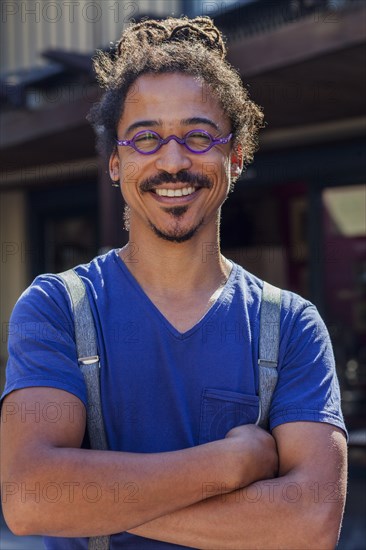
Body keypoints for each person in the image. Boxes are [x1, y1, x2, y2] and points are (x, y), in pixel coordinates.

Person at [1, 16, 347, 550]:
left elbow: (311, 523)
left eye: (198, 135)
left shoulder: (292, 326)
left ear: (234, 157)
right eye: (145, 138)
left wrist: (89, 501)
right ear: (115, 164)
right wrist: (227, 465)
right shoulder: (58, 308)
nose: (173, 160)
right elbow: (29, 498)